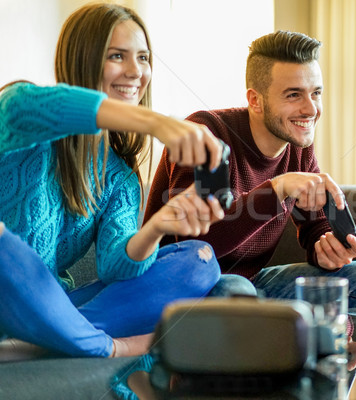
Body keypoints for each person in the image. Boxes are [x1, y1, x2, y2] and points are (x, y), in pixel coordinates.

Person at [0, 3, 225, 359]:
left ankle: (42, 342)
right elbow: (50, 105)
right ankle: (103, 346)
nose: (136, 72)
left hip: (53, 306)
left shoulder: (119, 177)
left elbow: (114, 268)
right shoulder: (20, 110)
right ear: (83, 61)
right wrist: (156, 123)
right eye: (117, 56)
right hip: (8, 286)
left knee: (200, 260)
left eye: (143, 58)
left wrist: (155, 227)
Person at [144, 30, 356, 315]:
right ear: (255, 100)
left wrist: (326, 247)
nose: (311, 108)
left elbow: (314, 225)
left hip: (252, 288)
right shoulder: (206, 134)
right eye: (294, 95)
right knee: (234, 293)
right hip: (183, 288)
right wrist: (277, 187)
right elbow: (200, 245)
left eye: (316, 93)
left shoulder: (298, 148)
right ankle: (283, 328)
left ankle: (303, 335)